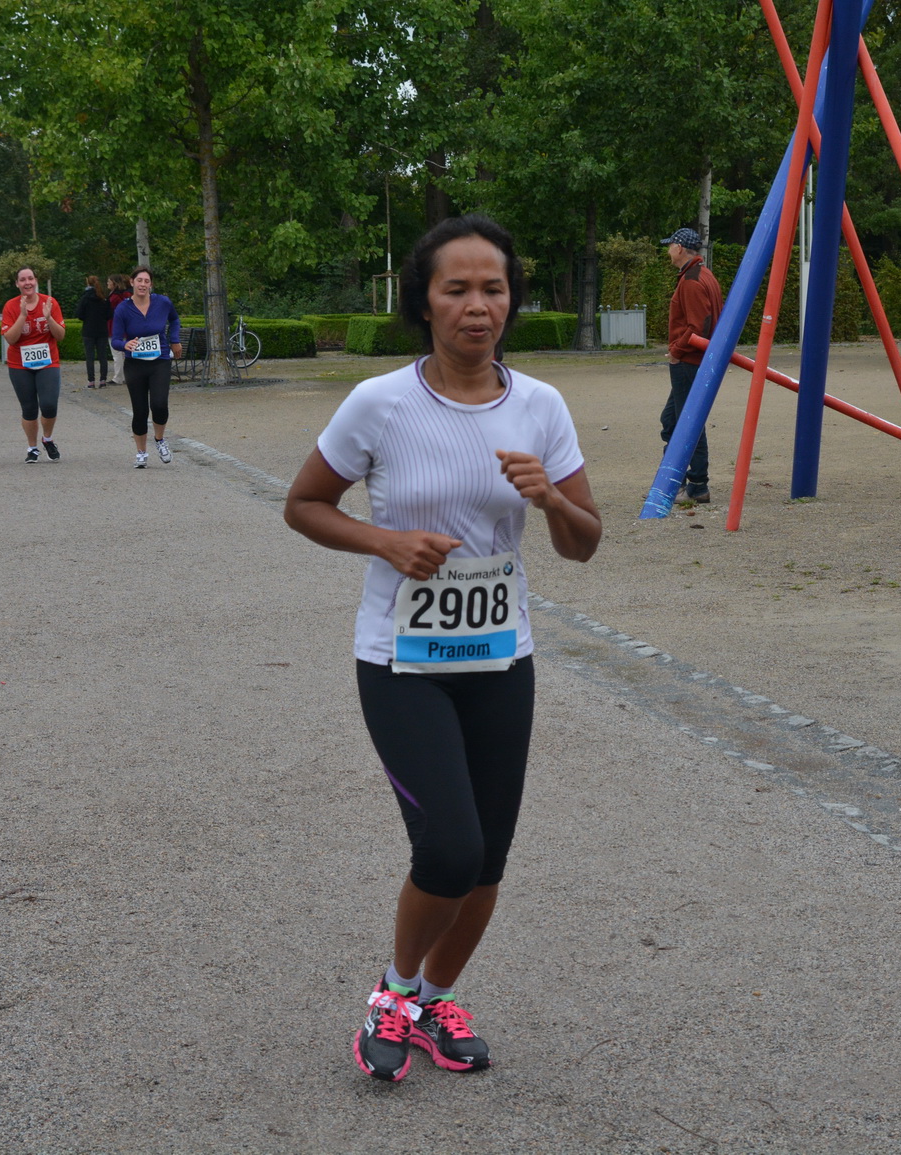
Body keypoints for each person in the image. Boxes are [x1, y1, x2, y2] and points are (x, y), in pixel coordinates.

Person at [283, 214, 601, 1083]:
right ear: (423, 301)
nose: (476, 306)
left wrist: (552, 501)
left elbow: (585, 541)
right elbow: (304, 503)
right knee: (450, 849)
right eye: (455, 289)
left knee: (489, 858)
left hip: (502, 658)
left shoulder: (541, 406)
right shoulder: (380, 402)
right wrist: (384, 542)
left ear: (512, 301)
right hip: (401, 662)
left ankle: (430, 1002)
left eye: (492, 288)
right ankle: (392, 991)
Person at [659, 227, 723, 503]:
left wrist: (676, 350)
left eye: (670, 245)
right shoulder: (702, 275)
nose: (668, 250)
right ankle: (680, 480)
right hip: (695, 360)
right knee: (672, 421)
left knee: (687, 423)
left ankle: (696, 484)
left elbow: (698, 327)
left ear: (680, 248)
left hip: (689, 361)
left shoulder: (692, 281)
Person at [110, 267, 180, 468]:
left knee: (159, 404)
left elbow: (174, 319)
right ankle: (141, 452)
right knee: (139, 410)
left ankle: (159, 439)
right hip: (135, 364)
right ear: (132, 282)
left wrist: (175, 340)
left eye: (146, 281)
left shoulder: (162, 302)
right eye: (139, 280)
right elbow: (115, 339)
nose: (142, 284)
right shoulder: (123, 309)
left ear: (151, 285)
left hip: (159, 361)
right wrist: (125, 345)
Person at [0, 266, 66, 463]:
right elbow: (10, 339)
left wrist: (48, 317)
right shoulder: (11, 306)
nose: (27, 283)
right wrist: (22, 315)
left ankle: (47, 438)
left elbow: (61, 336)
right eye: (22, 280)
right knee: (29, 409)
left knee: (48, 405)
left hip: (48, 362)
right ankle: (33, 448)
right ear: (17, 284)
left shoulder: (50, 302)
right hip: (20, 364)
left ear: (35, 280)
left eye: (30, 278)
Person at [77, 275, 112, 388]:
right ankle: (103, 380)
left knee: (90, 357)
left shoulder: (85, 298)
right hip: (102, 330)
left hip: (88, 330)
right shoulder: (103, 298)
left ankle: (91, 380)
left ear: (88, 283)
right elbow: (109, 314)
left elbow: (79, 314)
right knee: (103, 356)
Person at [106, 273, 132, 387]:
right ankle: (127, 376)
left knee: (117, 354)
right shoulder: (127, 294)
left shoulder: (114, 297)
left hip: (114, 327)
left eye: (109, 281)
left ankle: (118, 377)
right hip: (126, 327)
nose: (107, 283)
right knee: (125, 354)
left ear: (114, 283)